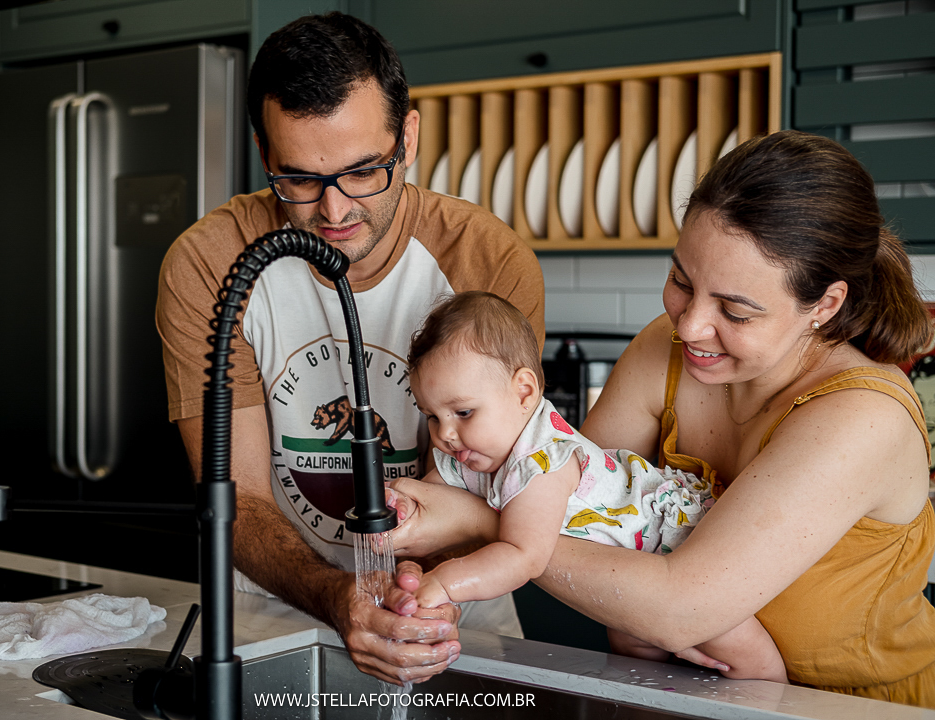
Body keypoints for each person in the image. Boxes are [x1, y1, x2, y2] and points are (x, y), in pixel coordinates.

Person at [386, 130, 935, 705]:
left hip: (850, 709)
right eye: (681, 280)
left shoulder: (863, 418)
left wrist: (479, 521)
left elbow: (677, 608)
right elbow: (571, 507)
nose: (690, 325)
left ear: (825, 305)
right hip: (690, 693)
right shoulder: (666, 350)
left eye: (734, 310)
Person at [155, 12, 545, 685]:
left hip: (449, 621)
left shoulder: (487, 260)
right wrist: (339, 598)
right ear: (263, 154)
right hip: (271, 618)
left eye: (365, 172)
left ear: (410, 138)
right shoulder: (211, 263)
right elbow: (236, 494)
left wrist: (402, 605)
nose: (334, 212)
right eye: (299, 180)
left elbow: (486, 483)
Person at [399, 290, 786, 682]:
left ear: (524, 392)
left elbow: (522, 556)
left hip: (680, 546)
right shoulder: (471, 446)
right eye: (432, 416)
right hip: (629, 573)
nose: (445, 433)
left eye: (462, 412)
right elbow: (436, 499)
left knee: (739, 653)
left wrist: (442, 585)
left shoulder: (544, 461)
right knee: (636, 653)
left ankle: (778, 698)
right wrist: (398, 506)